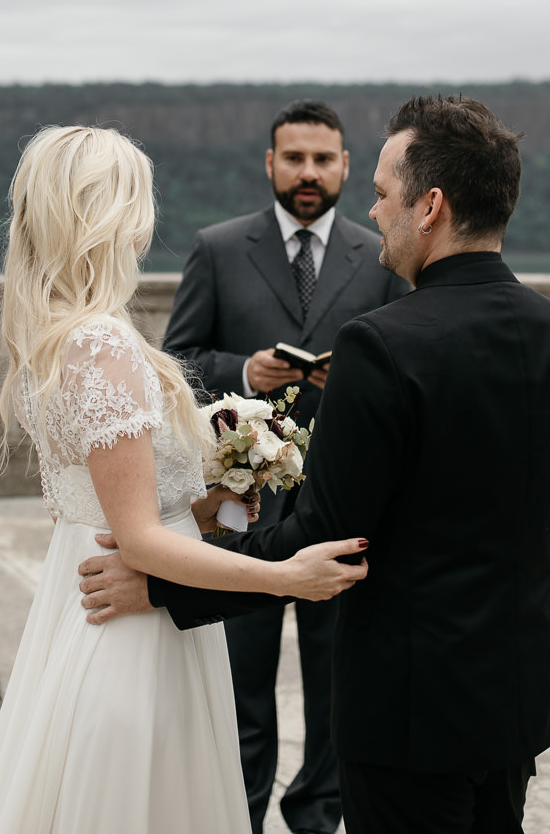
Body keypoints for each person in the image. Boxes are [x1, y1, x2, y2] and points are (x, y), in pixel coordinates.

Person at [76, 96, 550, 834]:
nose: (374, 209)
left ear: (430, 207)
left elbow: (327, 535)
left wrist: (164, 584)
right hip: (516, 701)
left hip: (407, 712)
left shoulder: (381, 344)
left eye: (384, 193)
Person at [0, 125, 369, 834]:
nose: (145, 225)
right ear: (108, 216)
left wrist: (203, 507)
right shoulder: (102, 342)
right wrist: (286, 577)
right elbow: (140, 541)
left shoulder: (55, 336)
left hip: (86, 600)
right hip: (134, 632)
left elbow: (103, 501)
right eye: (138, 202)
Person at [163, 98, 410, 834]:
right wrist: (245, 370)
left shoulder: (381, 255)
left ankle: (317, 814)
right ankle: (238, 814)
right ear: (271, 164)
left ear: (345, 166)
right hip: (240, 510)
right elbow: (175, 364)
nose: (309, 172)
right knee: (240, 681)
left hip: (345, 506)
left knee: (339, 681)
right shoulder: (216, 247)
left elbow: (408, 369)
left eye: (323, 160)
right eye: (295, 158)